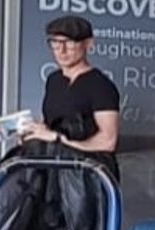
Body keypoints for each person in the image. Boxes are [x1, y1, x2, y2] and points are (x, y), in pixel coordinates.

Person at [23, 15, 122, 180]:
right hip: (52, 170)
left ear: (88, 44)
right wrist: (33, 132)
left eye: (69, 43)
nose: (61, 51)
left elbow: (108, 141)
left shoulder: (101, 85)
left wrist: (60, 141)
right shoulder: (53, 81)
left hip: (86, 177)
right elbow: (50, 123)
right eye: (55, 43)